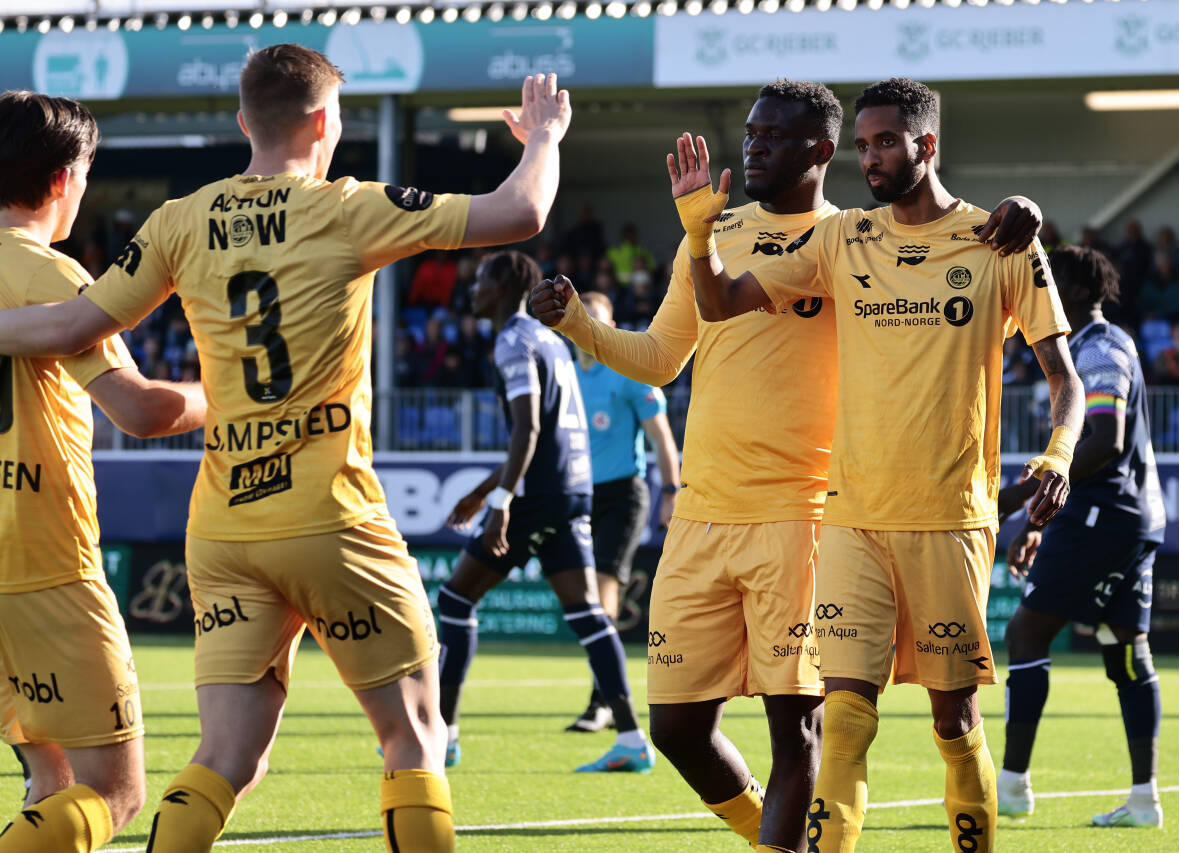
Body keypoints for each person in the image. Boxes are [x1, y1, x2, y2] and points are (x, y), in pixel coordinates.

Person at [0, 48, 572, 852]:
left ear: (244, 121)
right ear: (326, 122)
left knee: (221, 760)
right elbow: (519, 213)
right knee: (413, 737)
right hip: (329, 514)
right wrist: (544, 140)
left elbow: (75, 328)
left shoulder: (179, 218)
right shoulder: (348, 206)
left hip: (223, 531)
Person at [531, 78, 1045, 852]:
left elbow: (948, 258)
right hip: (703, 512)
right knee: (675, 726)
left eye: (773, 135)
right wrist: (575, 320)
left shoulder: (853, 240)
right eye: (750, 131)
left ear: (822, 151)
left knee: (802, 729)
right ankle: (783, 838)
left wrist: (1020, 213)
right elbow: (664, 357)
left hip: (807, 515)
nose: (754, 145)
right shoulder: (711, 230)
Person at [0, 90, 207, 851]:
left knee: (53, 779)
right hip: (42, 557)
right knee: (117, 791)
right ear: (67, 176)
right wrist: (230, 391)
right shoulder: (47, 273)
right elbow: (140, 411)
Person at [442, 251, 653, 773]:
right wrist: (484, 489)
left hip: (537, 497)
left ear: (506, 285)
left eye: (483, 279)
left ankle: (440, 736)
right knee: (587, 614)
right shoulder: (551, 342)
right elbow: (540, 433)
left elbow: (528, 429)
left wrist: (499, 503)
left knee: (453, 600)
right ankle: (631, 739)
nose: (474, 288)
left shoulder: (513, 340)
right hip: (572, 490)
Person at [995, 245, 1167, 829]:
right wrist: (1042, 519)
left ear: (1068, 289)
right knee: (1125, 651)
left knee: (1025, 633)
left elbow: (1105, 440)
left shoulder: (1100, 349)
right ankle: (1144, 800)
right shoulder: (1104, 346)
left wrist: (1026, 503)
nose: (1039, 296)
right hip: (1128, 517)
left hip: (1106, 515)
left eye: (1047, 284)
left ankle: (1013, 785)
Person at [566, 290, 680, 733]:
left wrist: (671, 491)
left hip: (623, 495)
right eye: (579, 317)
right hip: (579, 497)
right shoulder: (566, 375)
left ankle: (604, 702)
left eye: (593, 317)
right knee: (586, 598)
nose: (584, 325)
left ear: (610, 328)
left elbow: (662, 439)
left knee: (601, 591)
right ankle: (608, 699)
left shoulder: (628, 373)